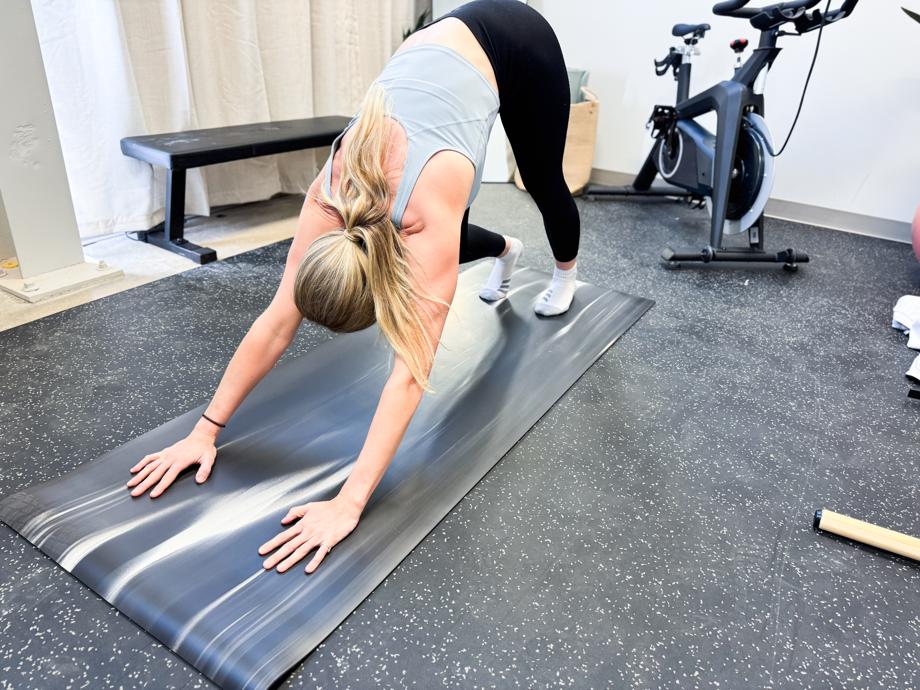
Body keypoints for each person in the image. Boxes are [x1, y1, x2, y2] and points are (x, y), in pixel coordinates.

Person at [126, 0, 580, 574]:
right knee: (440, 229)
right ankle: (506, 251)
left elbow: (410, 372)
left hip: (516, 42)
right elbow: (274, 323)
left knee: (544, 181)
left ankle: (564, 272)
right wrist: (204, 431)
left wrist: (350, 501)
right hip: (438, 66)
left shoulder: (424, 212)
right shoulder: (325, 196)